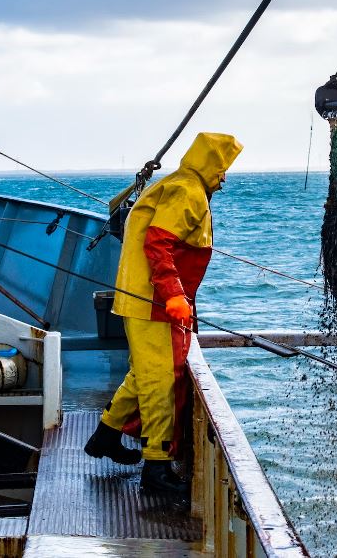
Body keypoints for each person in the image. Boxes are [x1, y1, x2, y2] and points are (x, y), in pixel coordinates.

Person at [84, 132, 243, 493]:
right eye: (222, 169)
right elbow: (158, 243)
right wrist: (173, 295)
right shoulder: (188, 192)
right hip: (152, 302)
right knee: (160, 380)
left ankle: (106, 435)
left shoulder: (179, 184)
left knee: (144, 373)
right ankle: (156, 468)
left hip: (141, 298)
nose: (224, 178)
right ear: (209, 165)